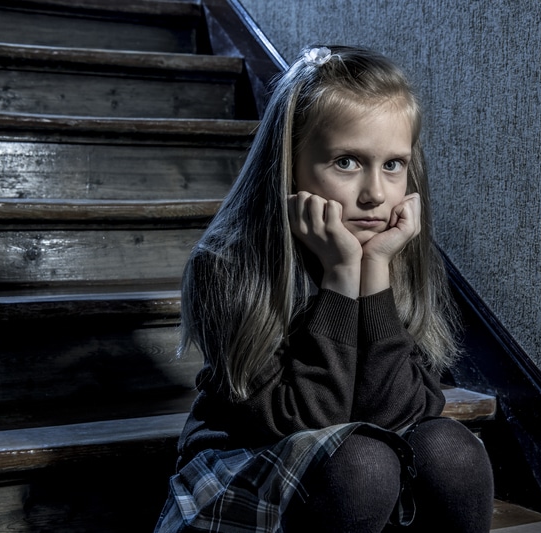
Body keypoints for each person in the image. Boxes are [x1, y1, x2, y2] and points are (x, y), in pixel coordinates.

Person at [154, 45, 494, 533]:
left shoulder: (395, 253)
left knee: (452, 449)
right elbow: (308, 419)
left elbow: (401, 415)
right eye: (348, 162)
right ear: (290, 164)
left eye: (394, 165)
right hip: (248, 465)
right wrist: (340, 276)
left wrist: (374, 270)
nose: (376, 193)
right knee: (364, 464)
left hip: (358, 471)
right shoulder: (228, 266)